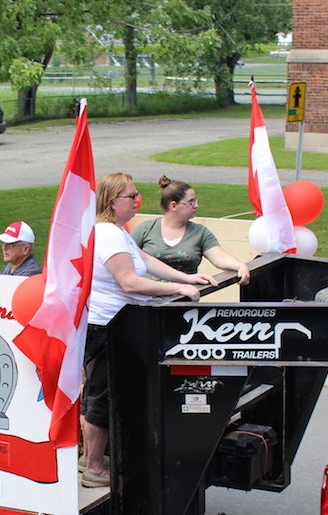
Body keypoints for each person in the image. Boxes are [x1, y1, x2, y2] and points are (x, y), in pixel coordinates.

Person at [81, 173, 211, 489]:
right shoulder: (109, 235)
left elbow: (145, 260)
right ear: (113, 201)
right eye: (131, 195)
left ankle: (91, 458)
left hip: (111, 324)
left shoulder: (116, 233)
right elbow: (130, 281)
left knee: (99, 393)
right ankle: (95, 469)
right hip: (107, 327)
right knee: (101, 397)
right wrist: (176, 287)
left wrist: (187, 280)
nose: (137, 200)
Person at [132, 176, 251, 285]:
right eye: (191, 202)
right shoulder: (146, 229)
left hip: (186, 299)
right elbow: (125, 254)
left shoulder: (200, 232)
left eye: (196, 201)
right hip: (149, 299)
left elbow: (219, 257)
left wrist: (240, 265)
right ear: (173, 206)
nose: (196, 205)